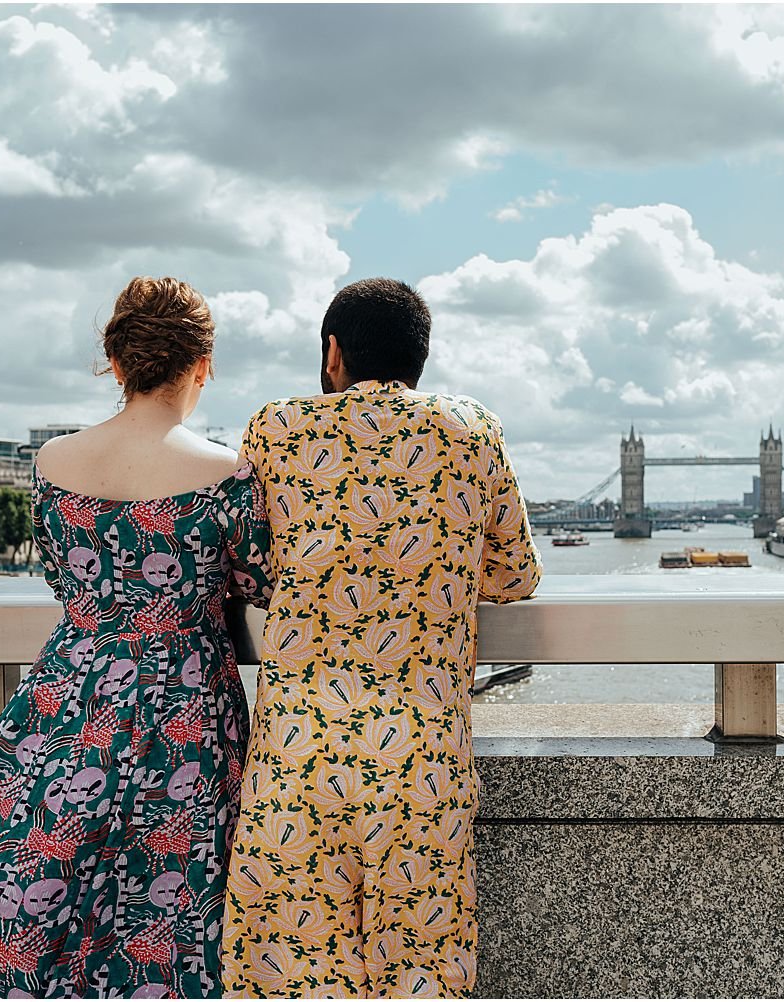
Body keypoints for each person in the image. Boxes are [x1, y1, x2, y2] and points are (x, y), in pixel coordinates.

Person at [0, 277, 272, 998]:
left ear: (115, 362)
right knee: (175, 894)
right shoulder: (228, 474)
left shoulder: (52, 464)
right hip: (186, 707)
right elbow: (261, 581)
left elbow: (61, 575)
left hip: (70, 690)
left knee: (39, 868)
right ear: (202, 365)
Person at [220, 277, 543, 998]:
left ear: (332, 352)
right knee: (423, 969)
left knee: (289, 969)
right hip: (422, 752)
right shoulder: (472, 427)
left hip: (299, 753)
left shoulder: (275, 429)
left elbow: (249, 565)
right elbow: (516, 574)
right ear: (421, 356)